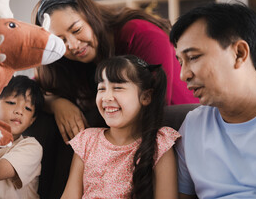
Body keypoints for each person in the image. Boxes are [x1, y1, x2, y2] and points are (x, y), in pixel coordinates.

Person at [32, 0, 198, 143]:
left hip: (179, 125)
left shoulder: (140, 33)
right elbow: (28, 89)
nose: (73, 45)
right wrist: (55, 103)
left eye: (76, 30)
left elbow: (155, 105)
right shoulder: (66, 59)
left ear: (90, 16)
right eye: (60, 41)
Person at [171, 2, 256, 198]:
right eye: (179, 62)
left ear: (239, 53)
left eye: (193, 57)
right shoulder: (193, 125)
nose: (183, 74)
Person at [61, 55, 180, 199]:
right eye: (102, 88)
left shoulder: (159, 144)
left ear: (146, 97)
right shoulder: (87, 140)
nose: (106, 97)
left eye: (118, 88)